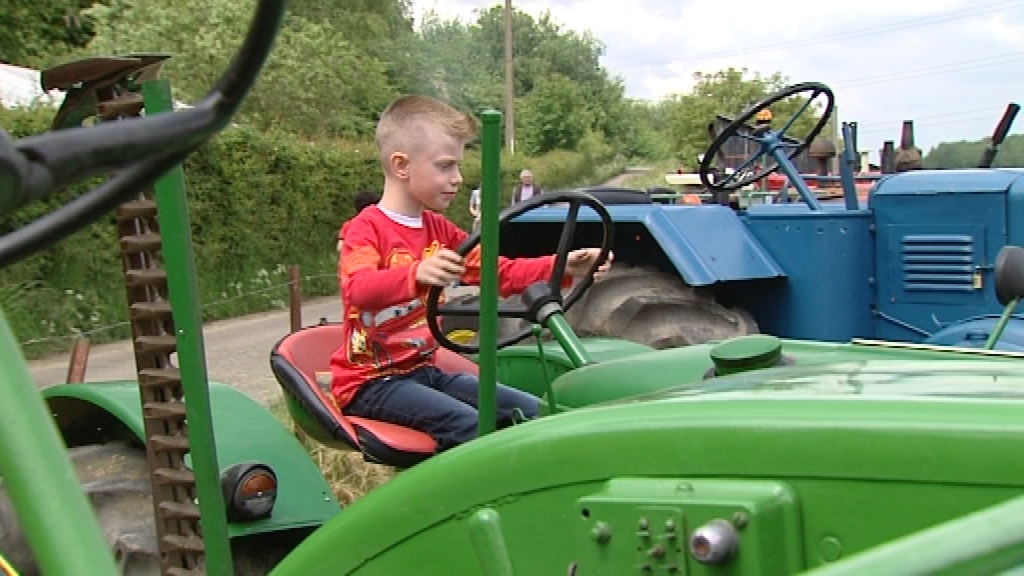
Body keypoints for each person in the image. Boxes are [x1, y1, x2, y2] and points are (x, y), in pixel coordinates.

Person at [331, 94, 612, 453]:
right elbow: (359, 289)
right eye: (445, 166)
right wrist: (418, 273)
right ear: (401, 165)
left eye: (458, 166)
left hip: (422, 371)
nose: (458, 179)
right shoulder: (365, 229)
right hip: (370, 382)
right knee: (468, 426)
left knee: (528, 410)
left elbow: (500, 273)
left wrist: (564, 266)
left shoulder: (440, 230)